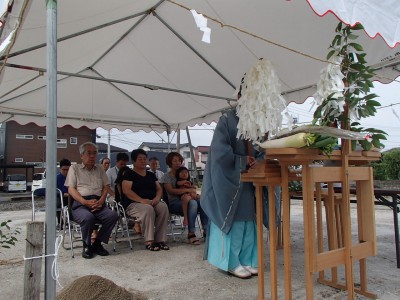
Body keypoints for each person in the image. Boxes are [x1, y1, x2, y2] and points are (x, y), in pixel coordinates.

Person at [200, 82, 260, 279]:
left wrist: (259, 157)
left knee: (250, 221)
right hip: (231, 179)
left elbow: (261, 147)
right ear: (240, 96)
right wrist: (242, 160)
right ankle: (231, 262)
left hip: (250, 181)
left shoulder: (257, 121)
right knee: (234, 221)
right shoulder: (227, 119)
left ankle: (249, 259)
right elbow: (218, 152)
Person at [65, 142, 118, 259]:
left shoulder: (99, 168)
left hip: (98, 203)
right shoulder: (74, 168)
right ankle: (87, 245)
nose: (92, 156)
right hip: (81, 204)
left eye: (94, 153)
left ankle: (97, 243)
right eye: (89, 153)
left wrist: (101, 201)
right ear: (81, 155)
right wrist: (84, 202)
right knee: (88, 217)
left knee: (112, 216)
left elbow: (106, 187)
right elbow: (71, 189)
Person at [121, 149, 169, 251]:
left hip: (151, 201)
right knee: (148, 209)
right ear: (133, 161)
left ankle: (160, 239)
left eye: (144, 159)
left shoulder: (151, 174)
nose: (143, 161)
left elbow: (159, 189)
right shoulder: (129, 174)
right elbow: (126, 191)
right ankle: (149, 241)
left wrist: (157, 198)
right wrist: (142, 200)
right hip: (133, 204)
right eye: (140, 159)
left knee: (163, 207)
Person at [162, 152, 207, 245]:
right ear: (169, 162)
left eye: (179, 160)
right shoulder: (166, 176)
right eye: (175, 161)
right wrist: (188, 190)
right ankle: (191, 233)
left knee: (202, 201)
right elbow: (171, 191)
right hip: (174, 203)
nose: (178, 163)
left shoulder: (184, 173)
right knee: (193, 203)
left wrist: (193, 192)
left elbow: (192, 187)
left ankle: (206, 229)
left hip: (188, 199)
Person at [56, 158, 71, 226]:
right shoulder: (56, 178)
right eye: (64, 170)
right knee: (58, 202)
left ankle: (70, 220)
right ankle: (60, 222)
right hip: (60, 197)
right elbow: (53, 191)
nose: (66, 172)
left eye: (68, 170)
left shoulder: (73, 177)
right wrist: (63, 193)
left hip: (70, 198)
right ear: (60, 169)